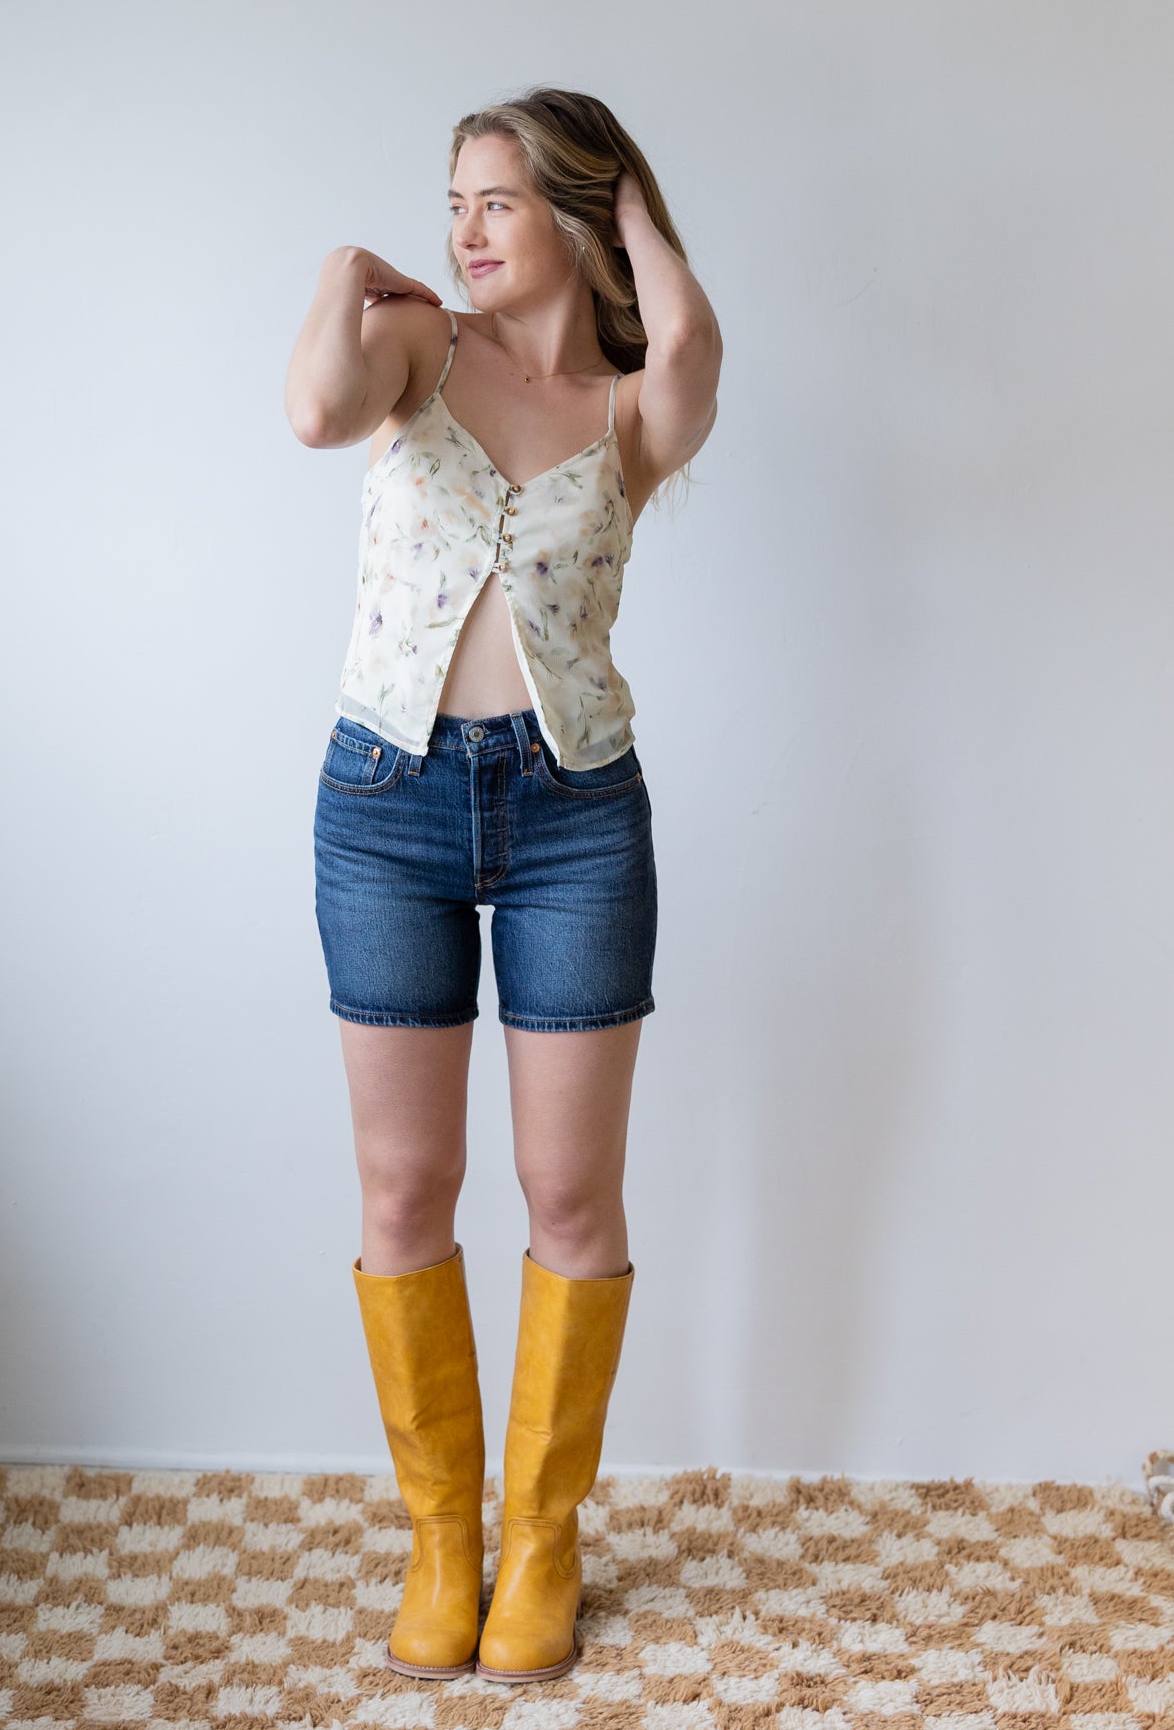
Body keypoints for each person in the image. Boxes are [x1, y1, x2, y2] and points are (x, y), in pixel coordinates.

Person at [285, 88, 723, 1684]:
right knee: (405, 1189)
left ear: (574, 214)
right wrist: (347, 270)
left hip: (574, 814)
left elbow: (689, 344)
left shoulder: (628, 411)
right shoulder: (419, 348)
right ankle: (439, 1540)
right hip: (385, 802)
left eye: (499, 201)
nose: (465, 230)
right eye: (455, 200)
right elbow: (314, 413)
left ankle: (540, 1542)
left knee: (569, 1195)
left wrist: (631, 216)